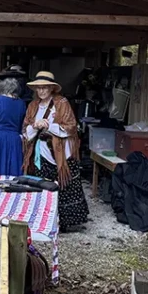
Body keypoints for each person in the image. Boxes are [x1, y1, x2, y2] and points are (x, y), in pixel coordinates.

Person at [21, 71, 89, 231]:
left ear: (52, 88)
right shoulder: (32, 106)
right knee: (42, 184)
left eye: (45, 88)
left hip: (61, 153)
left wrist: (49, 126)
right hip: (40, 151)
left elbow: (71, 127)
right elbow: (25, 130)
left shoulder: (62, 103)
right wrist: (35, 126)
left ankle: (65, 222)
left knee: (65, 185)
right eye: (39, 88)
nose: (42, 91)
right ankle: (43, 219)